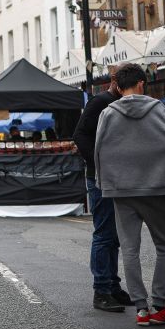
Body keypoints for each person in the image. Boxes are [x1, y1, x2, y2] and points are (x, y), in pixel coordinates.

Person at [95, 64, 165, 327]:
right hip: (155, 188)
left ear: (119, 88)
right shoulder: (157, 108)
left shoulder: (108, 112)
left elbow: (99, 148)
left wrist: (104, 183)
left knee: (130, 250)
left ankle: (142, 310)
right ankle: (159, 305)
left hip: (121, 188)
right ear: (142, 83)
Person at [73, 76, 132, 313]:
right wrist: (98, 163)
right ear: (118, 84)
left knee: (114, 235)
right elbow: (80, 135)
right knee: (104, 233)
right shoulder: (100, 102)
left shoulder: (119, 103)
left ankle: (112, 285)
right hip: (99, 178)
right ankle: (101, 290)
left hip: (117, 177)